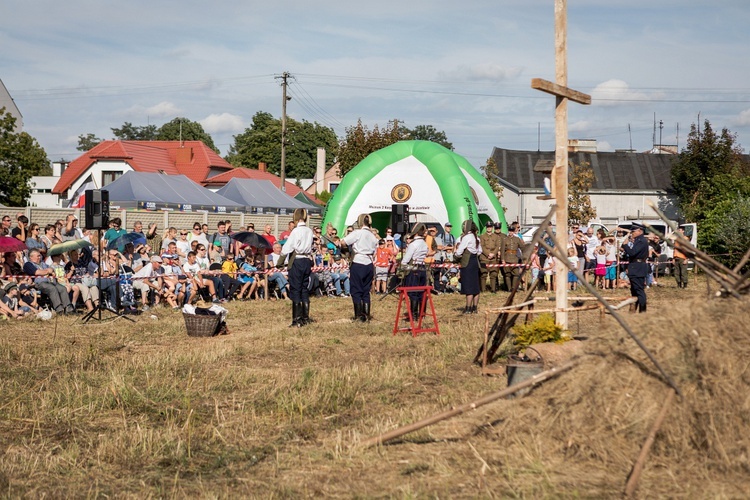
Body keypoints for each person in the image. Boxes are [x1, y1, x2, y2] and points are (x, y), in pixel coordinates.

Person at [338, 213, 379, 322]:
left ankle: (358, 316)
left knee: (356, 289)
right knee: (366, 290)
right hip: (369, 263)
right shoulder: (373, 236)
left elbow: (343, 242)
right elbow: (375, 251)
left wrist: (346, 250)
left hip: (358, 262)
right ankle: (366, 315)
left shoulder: (357, 233)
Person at [280, 208, 314, 327]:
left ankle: (296, 319)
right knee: (304, 289)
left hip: (297, 261)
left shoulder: (296, 231)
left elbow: (287, 247)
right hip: (306, 260)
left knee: (296, 289)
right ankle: (305, 317)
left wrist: (280, 262)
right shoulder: (309, 231)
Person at [23, 248, 75, 315]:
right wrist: (47, 271)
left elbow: (51, 270)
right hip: (40, 283)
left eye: (40, 255)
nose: (40, 257)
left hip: (51, 281)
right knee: (52, 289)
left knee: (62, 288)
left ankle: (68, 308)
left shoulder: (43, 264)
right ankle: (59, 309)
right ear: (31, 257)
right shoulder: (28, 264)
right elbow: (37, 272)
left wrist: (51, 271)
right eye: (38, 256)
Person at [400, 223, 429, 321]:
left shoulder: (413, 244)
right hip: (423, 269)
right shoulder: (424, 244)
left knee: (413, 293)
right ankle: (422, 315)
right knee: (422, 293)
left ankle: (413, 316)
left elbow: (405, 261)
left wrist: (403, 266)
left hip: (414, 270)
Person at [454, 220, 482, 314]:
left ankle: (468, 308)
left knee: (469, 287)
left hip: (467, 263)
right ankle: (475, 308)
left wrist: (456, 255)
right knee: (475, 286)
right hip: (475, 262)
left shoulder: (467, 237)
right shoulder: (476, 238)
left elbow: (459, 251)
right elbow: (479, 251)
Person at [621, 223, 649, 312]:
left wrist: (625, 245)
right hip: (635, 267)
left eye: (633, 231)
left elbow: (633, 253)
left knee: (639, 291)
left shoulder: (641, 241)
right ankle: (633, 310)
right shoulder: (637, 240)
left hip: (638, 268)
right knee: (634, 291)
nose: (632, 233)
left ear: (640, 231)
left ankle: (642, 311)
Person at [500, 222, 524, 291]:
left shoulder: (517, 239)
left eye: (512, 231)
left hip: (514, 258)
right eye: (510, 231)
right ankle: (509, 288)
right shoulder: (505, 240)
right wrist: (503, 260)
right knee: (507, 274)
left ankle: (514, 287)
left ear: (513, 232)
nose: (511, 232)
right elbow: (502, 251)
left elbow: (522, 247)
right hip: (507, 258)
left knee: (516, 274)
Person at [479, 221, 500, 292]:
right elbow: (482, 246)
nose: (489, 228)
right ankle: (483, 289)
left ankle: (493, 289)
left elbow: (497, 246)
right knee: (483, 274)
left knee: (493, 274)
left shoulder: (496, 236)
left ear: (492, 228)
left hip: (493, 258)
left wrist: (493, 254)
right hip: (484, 258)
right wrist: (488, 254)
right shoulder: (482, 236)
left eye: (490, 227)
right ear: (486, 228)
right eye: (488, 227)